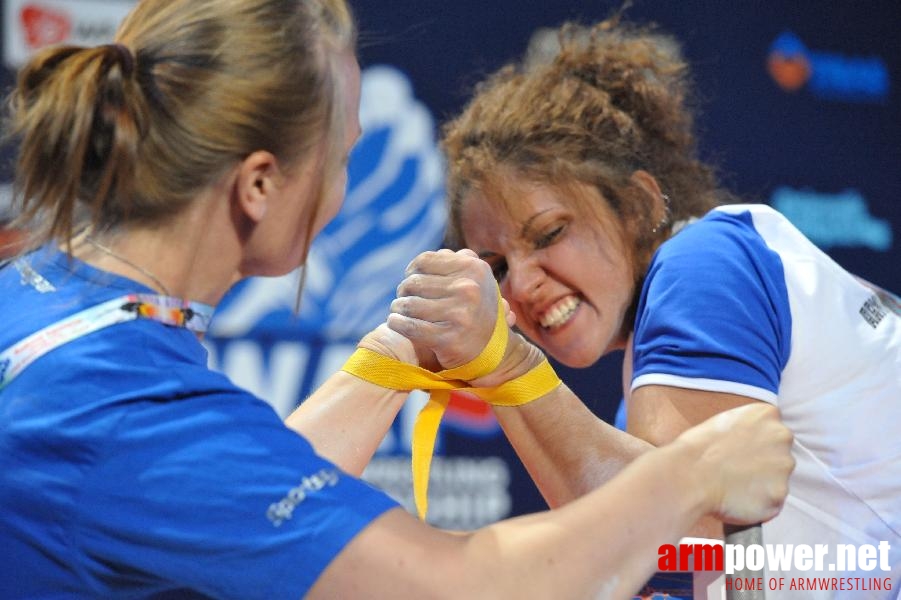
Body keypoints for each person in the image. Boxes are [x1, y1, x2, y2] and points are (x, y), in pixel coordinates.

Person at [0, 1, 794, 598]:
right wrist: (690, 473)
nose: (343, 194)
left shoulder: (60, 307)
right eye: (343, 159)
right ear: (260, 184)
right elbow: (464, 587)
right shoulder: (130, 400)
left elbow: (234, 494)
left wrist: (390, 356)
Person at [395, 16, 900, 597]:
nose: (523, 285)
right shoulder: (647, 396)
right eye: (499, 267)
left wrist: (505, 364)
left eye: (549, 232)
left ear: (637, 205)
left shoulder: (703, 264)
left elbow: (684, 518)